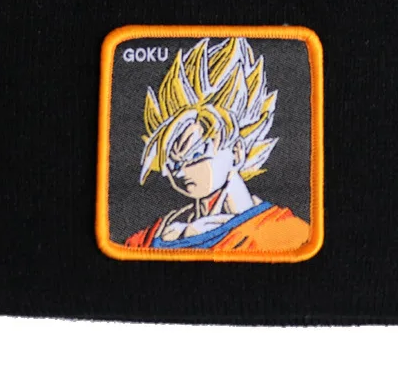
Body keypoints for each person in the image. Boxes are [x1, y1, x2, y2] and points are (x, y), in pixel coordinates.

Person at [125, 37, 309, 252]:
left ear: (237, 153)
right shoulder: (149, 237)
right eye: (173, 164)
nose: (181, 172)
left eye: (196, 156)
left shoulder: (285, 234)